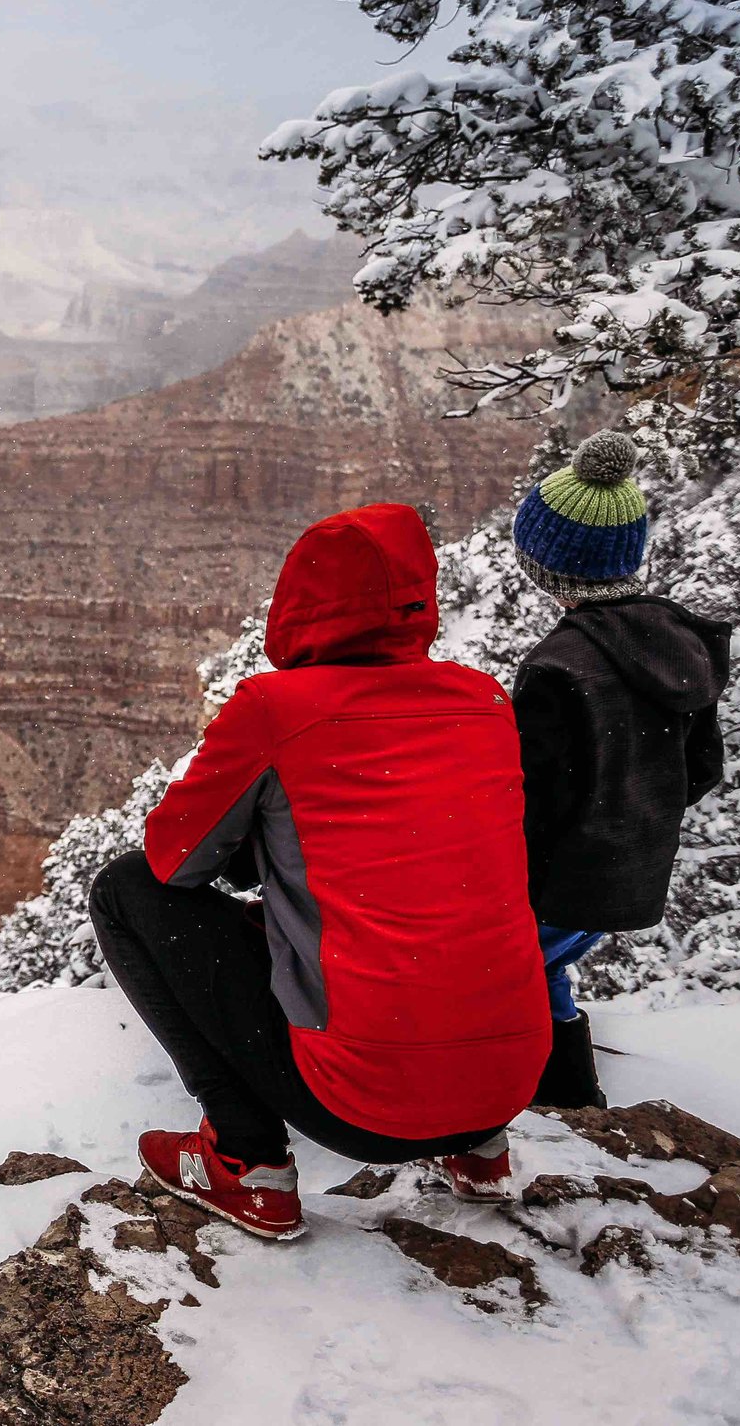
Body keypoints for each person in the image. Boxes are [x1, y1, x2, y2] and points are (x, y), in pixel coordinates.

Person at [90, 502, 549, 1240]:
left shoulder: (276, 708)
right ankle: (480, 1151)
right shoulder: (485, 702)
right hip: (506, 1085)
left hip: (362, 1108)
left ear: (300, 600)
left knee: (124, 890)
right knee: (437, 905)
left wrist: (258, 841)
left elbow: (173, 862)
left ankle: (249, 1164)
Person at [508, 431, 730, 1108]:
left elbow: (532, 799)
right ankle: (570, 1098)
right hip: (628, 868)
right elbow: (703, 767)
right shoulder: (674, 641)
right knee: (544, 969)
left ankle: (549, 1100)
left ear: (546, 564)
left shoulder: (558, 667)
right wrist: (635, 810)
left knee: (507, 968)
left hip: (558, 875)